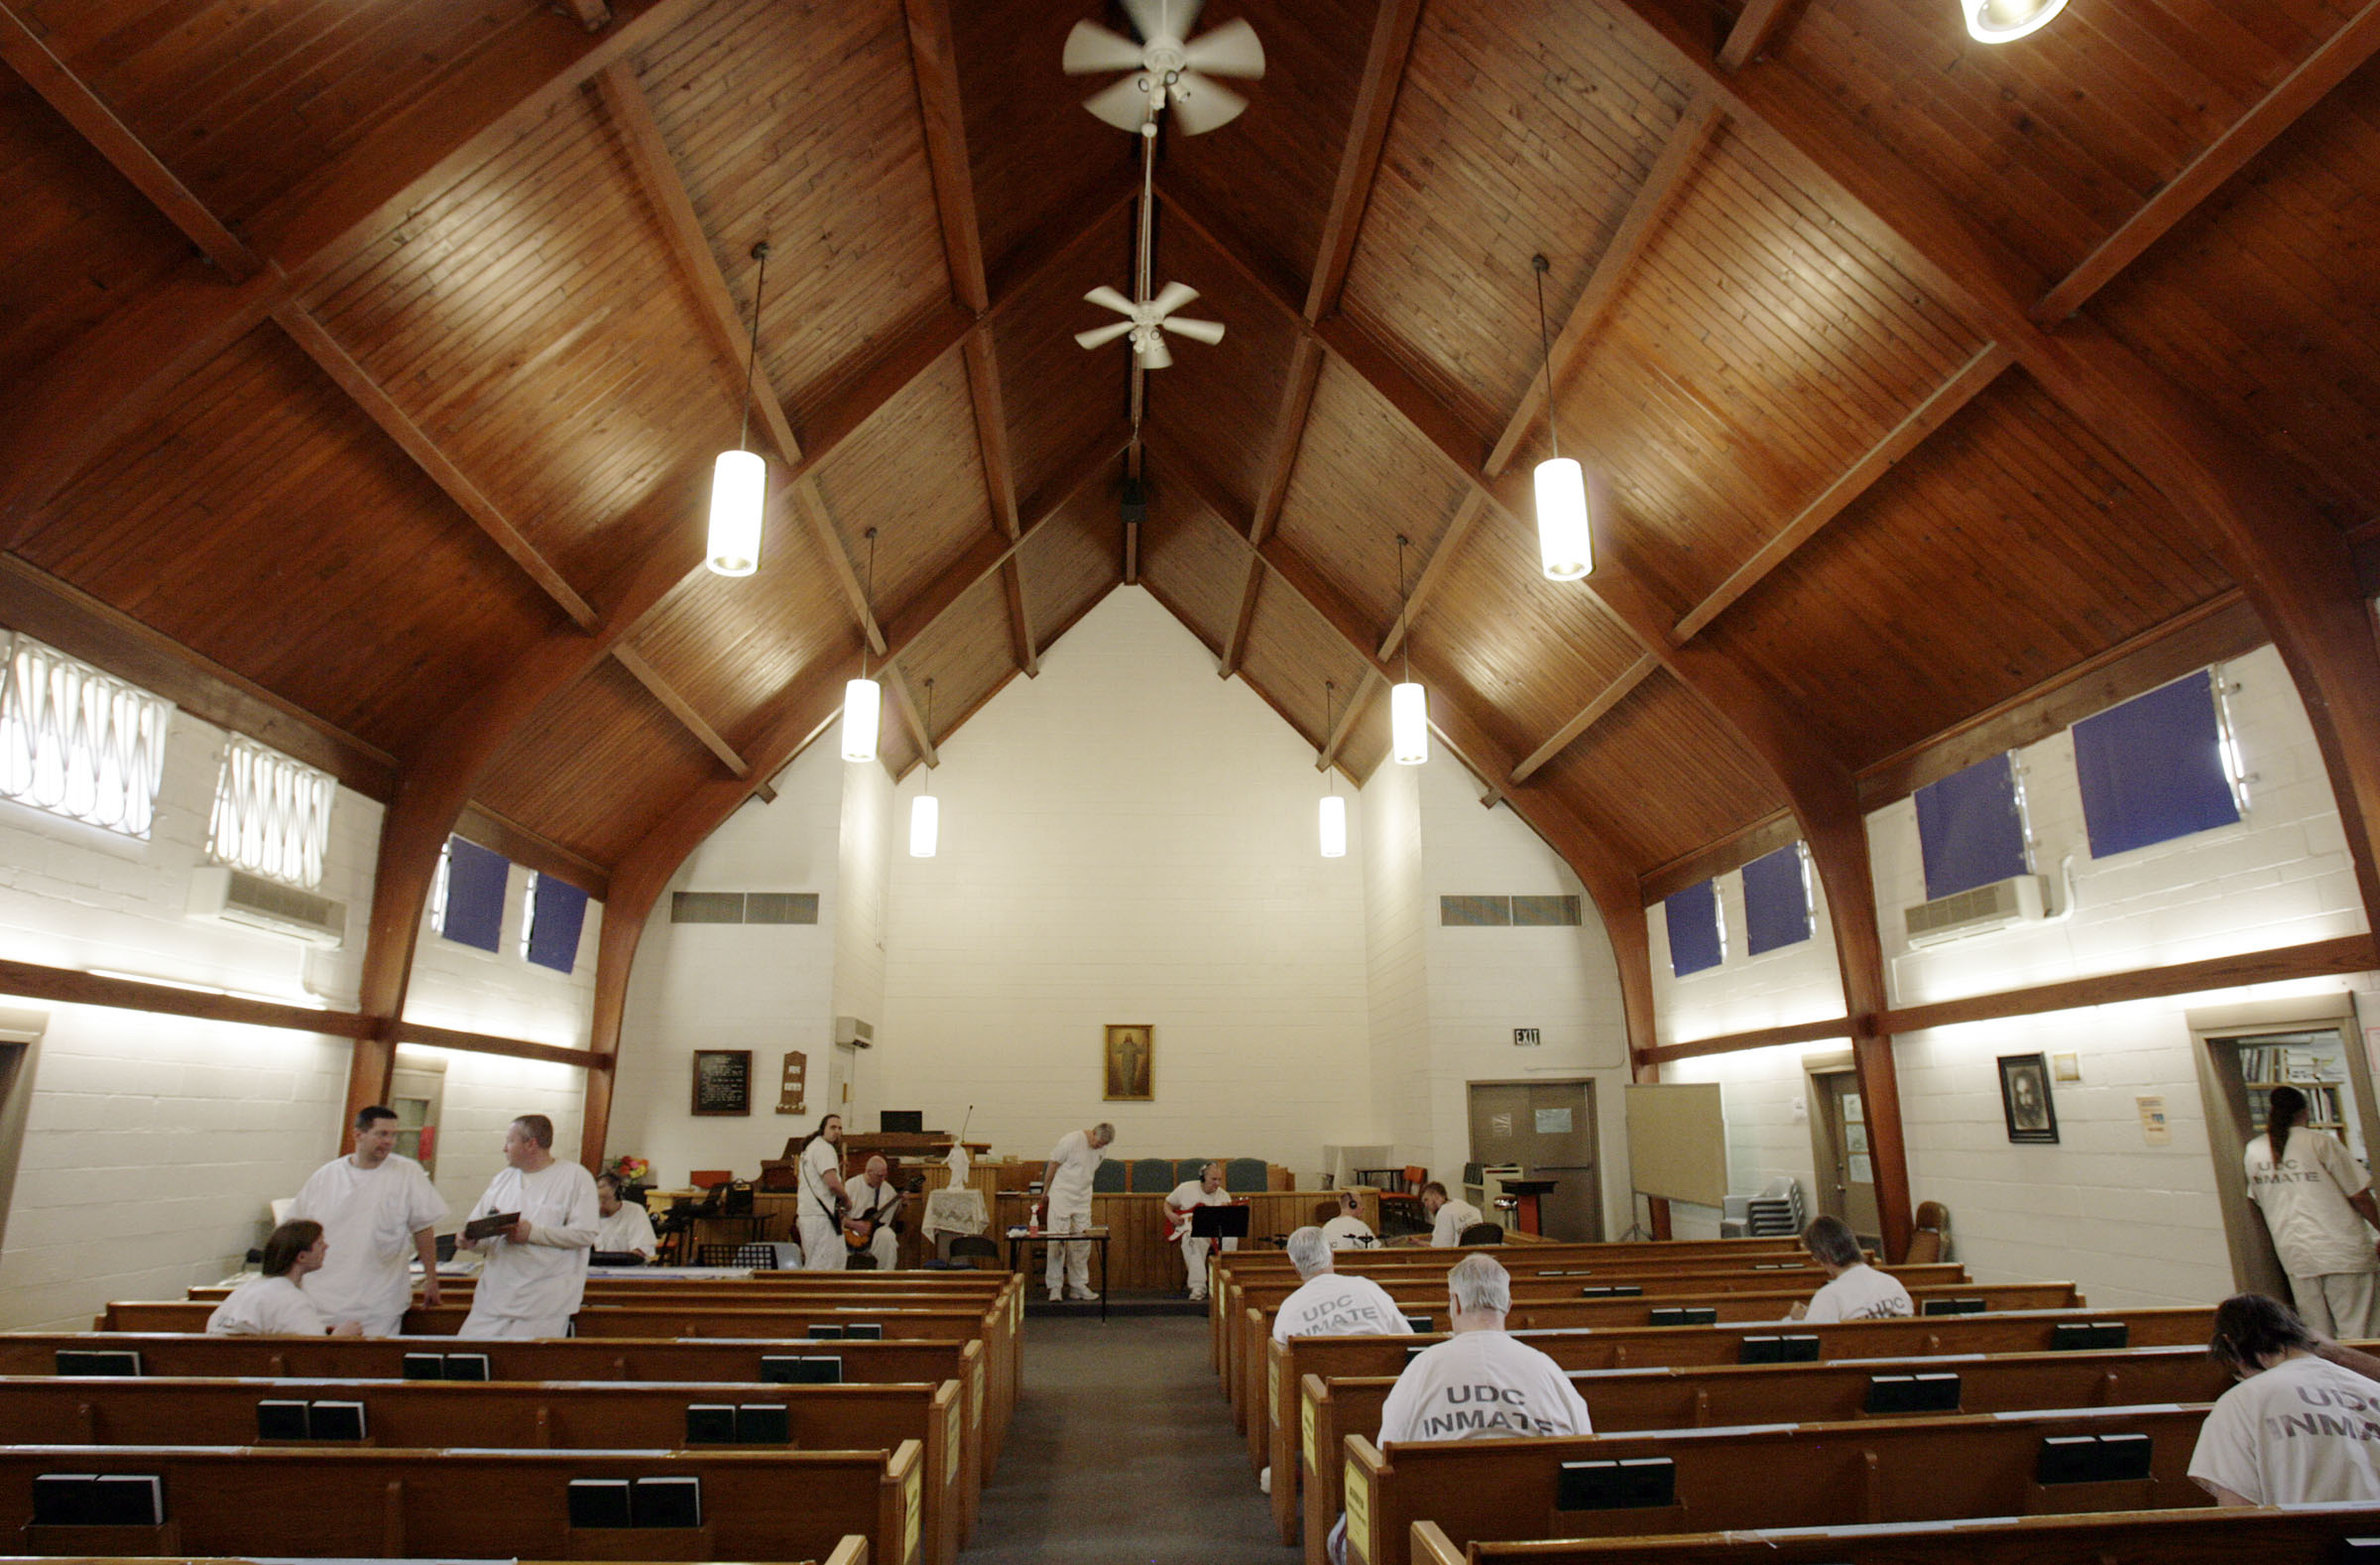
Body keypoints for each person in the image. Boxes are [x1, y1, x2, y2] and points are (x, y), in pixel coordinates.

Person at [1331, 1253, 1590, 1565]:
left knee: (1341, 1538)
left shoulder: (1422, 1368)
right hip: (1536, 1547)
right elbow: (1584, 1453)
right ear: (1508, 1306)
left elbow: (1386, 1455)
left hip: (1434, 1544)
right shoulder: (1549, 1372)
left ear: (1454, 1303)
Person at [2190, 1291, 2380, 1505]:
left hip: (2302, 1535)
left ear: (2230, 1343)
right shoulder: (2372, 1389)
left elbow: (2237, 1510)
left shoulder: (2242, 1400)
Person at [287, 1104, 447, 1335]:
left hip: (380, 1302)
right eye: (382, 1134)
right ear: (358, 1135)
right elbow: (293, 1231)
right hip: (323, 1298)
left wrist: (431, 1279)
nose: (389, 1142)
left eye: (393, 1135)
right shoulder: (327, 1176)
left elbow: (423, 1229)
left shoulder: (407, 1173)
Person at [2245, 1084, 2380, 1338]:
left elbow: (2259, 1199)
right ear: (2305, 1111)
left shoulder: (2254, 1150)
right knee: (2359, 1332)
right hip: (2343, 1251)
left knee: (2317, 1336)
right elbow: (2359, 1194)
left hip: (2297, 1255)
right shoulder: (2319, 1143)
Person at [455, 1115, 598, 1338]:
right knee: (467, 1362)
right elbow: (478, 1230)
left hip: (543, 1305)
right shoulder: (503, 1179)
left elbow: (585, 1234)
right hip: (493, 1299)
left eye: (510, 1141)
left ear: (531, 1144)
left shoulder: (575, 1178)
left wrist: (533, 1233)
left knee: (522, 1369)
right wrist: (470, 1241)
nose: (505, 1148)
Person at [206, 1220, 363, 1336]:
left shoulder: (246, 1290)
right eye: (320, 1243)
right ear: (301, 1257)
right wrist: (341, 1336)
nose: (326, 1247)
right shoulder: (290, 1299)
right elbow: (314, 1355)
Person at [1272, 1225, 1412, 1342]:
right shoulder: (1368, 1288)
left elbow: (1281, 1362)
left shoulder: (1288, 1309)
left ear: (1294, 1265)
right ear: (1332, 1254)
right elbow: (1408, 1339)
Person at [1786, 1214, 1912, 1322]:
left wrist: (1798, 1323)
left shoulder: (1829, 1296)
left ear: (1825, 1256)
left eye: (1816, 1257)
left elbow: (1813, 1343)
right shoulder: (1892, 1283)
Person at [1039, 1121, 1113, 1301]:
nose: (1099, 1147)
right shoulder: (1071, 1140)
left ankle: (1078, 1285)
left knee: (1082, 1243)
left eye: (1104, 1145)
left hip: (1082, 1198)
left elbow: (1089, 1171)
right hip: (1061, 1196)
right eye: (1098, 1143)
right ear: (1093, 1133)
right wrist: (1045, 1191)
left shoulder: (1102, 1148)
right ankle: (1055, 1287)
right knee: (1057, 1241)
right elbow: (1053, 1165)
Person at [1166, 1160, 1235, 1300]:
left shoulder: (1224, 1196)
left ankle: (1227, 1284)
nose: (1217, 1183)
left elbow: (1228, 1222)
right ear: (1203, 1178)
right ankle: (1198, 1287)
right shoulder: (1185, 1188)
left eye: (1219, 1180)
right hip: (1193, 1231)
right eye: (1213, 1179)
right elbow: (1168, 1203)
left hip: (1216, 1232)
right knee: (1191, 1239)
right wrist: (1171, 1215)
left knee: (1231, 1237)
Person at [796, 1112, 852, 1271]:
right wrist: (847, 1200)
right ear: (823, 1129)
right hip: (820, 1217)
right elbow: (832, 1183)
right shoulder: (824, 1149)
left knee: (819, 1261)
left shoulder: (810, 1148)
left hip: (812, 1214)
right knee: (824, 1266)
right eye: (832, 1127)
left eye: (840, 1128)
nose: (837, 1131)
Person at [844, 1154, 904, 1271]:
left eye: (884, 1176)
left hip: (874, 1233)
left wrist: (902, 1205)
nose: (882, 1180)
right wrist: (854, 1225)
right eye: (879, 1176)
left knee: (888, 1236)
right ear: (868, 1172)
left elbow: (891, 1217)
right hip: (850, 1232)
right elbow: (838, 1215)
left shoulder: (888, 1189)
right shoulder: (851, 1185)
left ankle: (884, 1277)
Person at [594, 1172, 658, 1263]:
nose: (600, 1205)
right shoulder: (587, 1213)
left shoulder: (635, 1211)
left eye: (604, 1198)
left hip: (627, 1271)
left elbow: (640, 1251)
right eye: (596, 1199)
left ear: (618, 1196)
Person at [1413, 1181, 1483, 1248]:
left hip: (1460, 1255)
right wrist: (1419, 1242)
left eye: (1426, 1200)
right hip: (1480, 1249)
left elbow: (1441, 1249)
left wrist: (1419, 1244)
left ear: (1435, 1196)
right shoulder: (1460, 1203)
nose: (1426, 1205)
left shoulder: (1444, 1213)